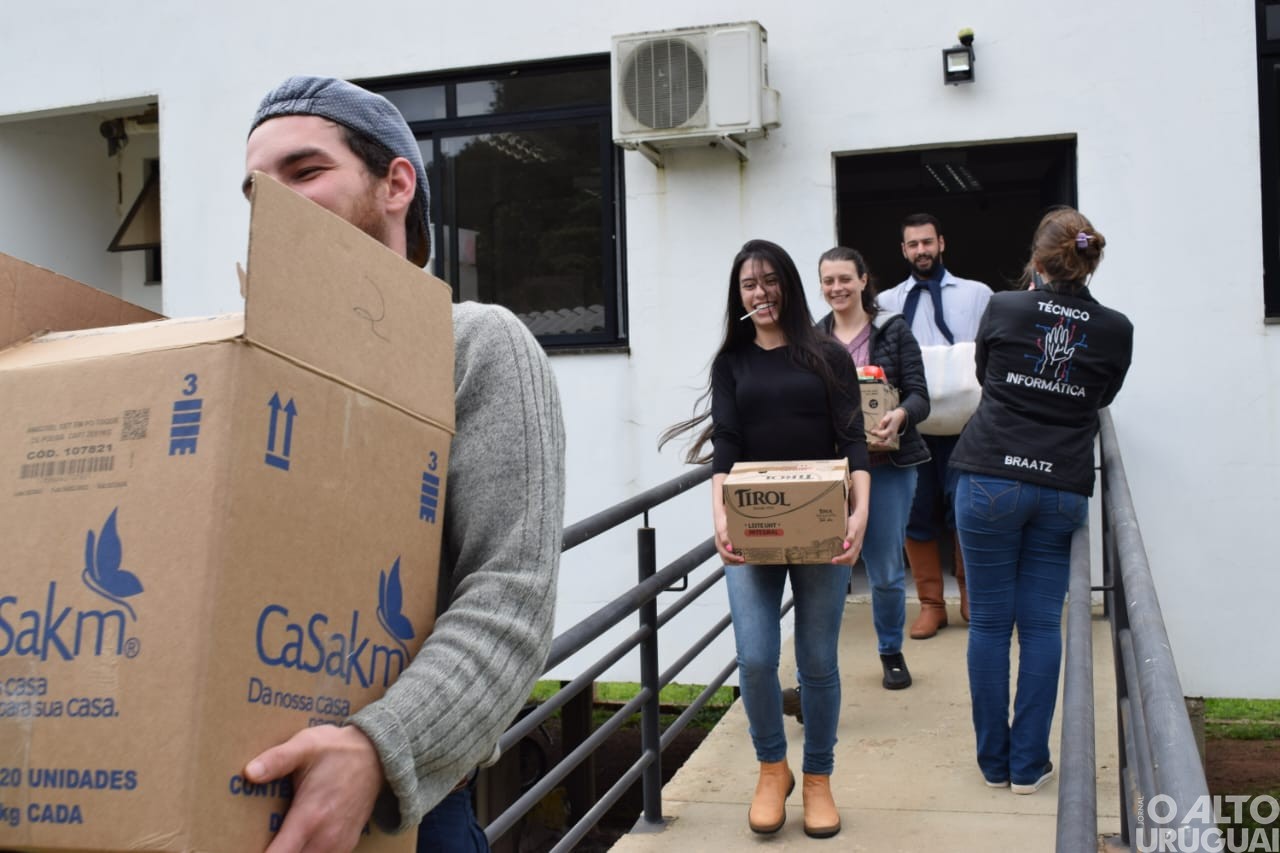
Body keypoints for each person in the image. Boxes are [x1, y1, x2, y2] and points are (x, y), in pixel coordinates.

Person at [241, 76, 566, 853]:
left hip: (403, 814)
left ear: (396, 183)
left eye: (305, 171)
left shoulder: (477, 346)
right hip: (229, 799)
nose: (272, 204)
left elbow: (511, 594)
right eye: (255, 189)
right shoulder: (248, 365)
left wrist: (378, 750)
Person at [660, 239, 871, 840]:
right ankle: (772, 767)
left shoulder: (828, 355)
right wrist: (720, 515)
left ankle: (820, 778)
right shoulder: (731, 363)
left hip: (822, 527)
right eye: (750, 284)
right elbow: (726, 444)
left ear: (790, 286)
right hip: (752, 527)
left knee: (817, 662)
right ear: (740, 295)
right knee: (754, 657)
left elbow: (852, 442)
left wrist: (860, 516)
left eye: (771, 281)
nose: (761, 293)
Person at [951, 207, 1132, 793]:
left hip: (989, 480)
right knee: (1041, 627)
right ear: (1089, 261)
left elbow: (985, 375)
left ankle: (993, 763)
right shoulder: (1116, 329)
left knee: (989, 627)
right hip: (1060, 486)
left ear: (1037, 259)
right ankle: (1029, 766)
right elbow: (1100, 394)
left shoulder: (1003, 308)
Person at [815, 247, 931, 689]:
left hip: (889, 465)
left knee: (884, 570)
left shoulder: (893, 331)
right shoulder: (813, 338)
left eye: (845, 278)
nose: (836, 289)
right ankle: (818, 665)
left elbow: (920, 395)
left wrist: (899, 415)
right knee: (827, 572)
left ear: (864, 279)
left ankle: (890, 651)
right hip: (833, 473)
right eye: (828, 281)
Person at [877, 213, 992, 639]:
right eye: (913, 244)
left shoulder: (978, 294)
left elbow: (994, 354)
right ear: (903, 251)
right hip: (912, 424)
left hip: (968, 424)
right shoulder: (886, 302)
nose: (921, 250)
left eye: (928, 242)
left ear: (941, 243)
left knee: (968, 509)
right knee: (915, 511)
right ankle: (930, 604)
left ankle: (972, 599)